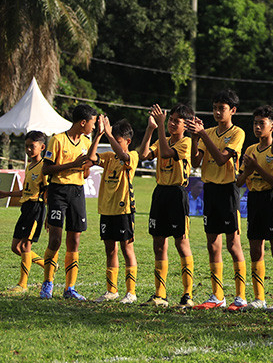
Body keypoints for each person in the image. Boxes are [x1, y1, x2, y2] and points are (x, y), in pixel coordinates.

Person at [188, 90, 247, 311]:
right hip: (210, 190)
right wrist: (196, 138)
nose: (217, 112)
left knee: (233, 244)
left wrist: (202, 135)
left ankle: (240, 297)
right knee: (213, 244)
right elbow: (195, 161)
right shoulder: (209, 132)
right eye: (214, 108)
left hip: (228, 190)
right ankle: (217, 295)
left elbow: (222, 159)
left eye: (221, 108)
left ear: (233, 110)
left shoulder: (237, 133)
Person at [138, 103, 196, 307]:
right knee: (159, 243)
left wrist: (161, 126)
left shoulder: (186, 142)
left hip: (177, 193)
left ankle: (187, 295)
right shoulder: (162, 138)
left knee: (181, 243)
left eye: (176, 121)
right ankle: (160, 294)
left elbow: (165, 153)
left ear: (185, 125)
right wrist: (150, 129)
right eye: (170, 119)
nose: (172, 123)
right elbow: (143, 155)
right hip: (160, 192)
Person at [235, 105, 273, 310]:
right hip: (254, 200)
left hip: (271, 200)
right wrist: (248, 171)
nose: (257, 127)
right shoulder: (250, 150)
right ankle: (259, 298)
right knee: (255, 250)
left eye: (262, 123)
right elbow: (239, 182)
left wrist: (256, 167)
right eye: (255, 123)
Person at [40, 104, 97, 300]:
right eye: (92, 123)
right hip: (58, 191)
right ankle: (47, 283)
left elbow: (85, 172)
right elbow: (46, 170)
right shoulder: (57, 140)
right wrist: (73, 164)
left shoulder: (86, 142)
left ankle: (70, 288)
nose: (93, 127)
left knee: (74, 240)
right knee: (55, 239)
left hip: (77, 192)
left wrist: (86, 167)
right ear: (83, 122)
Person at [89, 116, 140, 304]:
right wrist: (99, 135)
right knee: (110, 250)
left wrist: (109, 134)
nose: (114, 145)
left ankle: (131, 293)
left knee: (127, 249)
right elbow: (91, 158)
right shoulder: (109, 157)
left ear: (128, 141)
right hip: (106, 210)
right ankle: (112, 291)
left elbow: (124, 157)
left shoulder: (132, 156)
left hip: (123, 209)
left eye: (118, 142)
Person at [1, 131, 48, 294]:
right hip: (26, 208)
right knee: (16, 247)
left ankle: (22, 284)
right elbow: (25, 191)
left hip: (36, 208)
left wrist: (49, 216)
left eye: (32, 146)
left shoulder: (44, 167)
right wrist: (7, 194)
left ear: (42, 147)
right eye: (26, 146)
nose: (28, 149)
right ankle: (48, 265)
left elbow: (48, 192)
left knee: (25, 245)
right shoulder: (29, 166)